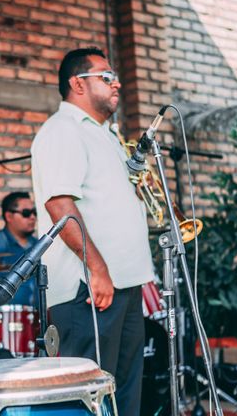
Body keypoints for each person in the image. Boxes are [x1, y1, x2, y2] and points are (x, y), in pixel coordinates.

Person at [31, 47, 154, 415]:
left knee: (124, 394)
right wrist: (98, 270)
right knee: (90, 398)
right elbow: (60, 206)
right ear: (77, 83)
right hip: (90, 288)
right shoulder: (62, 130)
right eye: (105, 76)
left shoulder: (105, 134)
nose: (116, 82)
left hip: (124, 285)